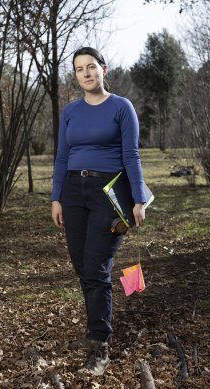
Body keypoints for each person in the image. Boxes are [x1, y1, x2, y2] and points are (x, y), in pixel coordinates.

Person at [50, 47, 147, 375]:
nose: (86, 73)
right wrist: (55, 197)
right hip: (73, 192)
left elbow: (131, 154)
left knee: (97, 266)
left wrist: (138, 199)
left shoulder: (122, 107)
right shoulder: (70, 111)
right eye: (79, 69)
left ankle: (100, 345)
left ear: (104, 69)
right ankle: (95, 329)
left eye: (91, 67)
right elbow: (62, 157)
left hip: (109, 194)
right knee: (82, 265)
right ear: (75, 75)